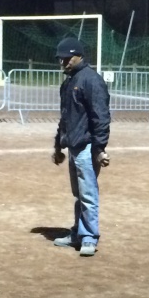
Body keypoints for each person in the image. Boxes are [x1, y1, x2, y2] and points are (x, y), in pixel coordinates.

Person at [51, 36, 111, 257]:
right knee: (79, 194)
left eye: (67, 58)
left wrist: (100, 149)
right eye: (60, 59)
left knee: (88, 194)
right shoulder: (69, 82)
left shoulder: (91, 81)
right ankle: (78, 232)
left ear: (79, 56)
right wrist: (58, 146)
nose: (63, 62)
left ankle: (89, 237)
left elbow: (101, 117)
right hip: (73, 147)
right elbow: (65, 118)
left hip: (87, 147)